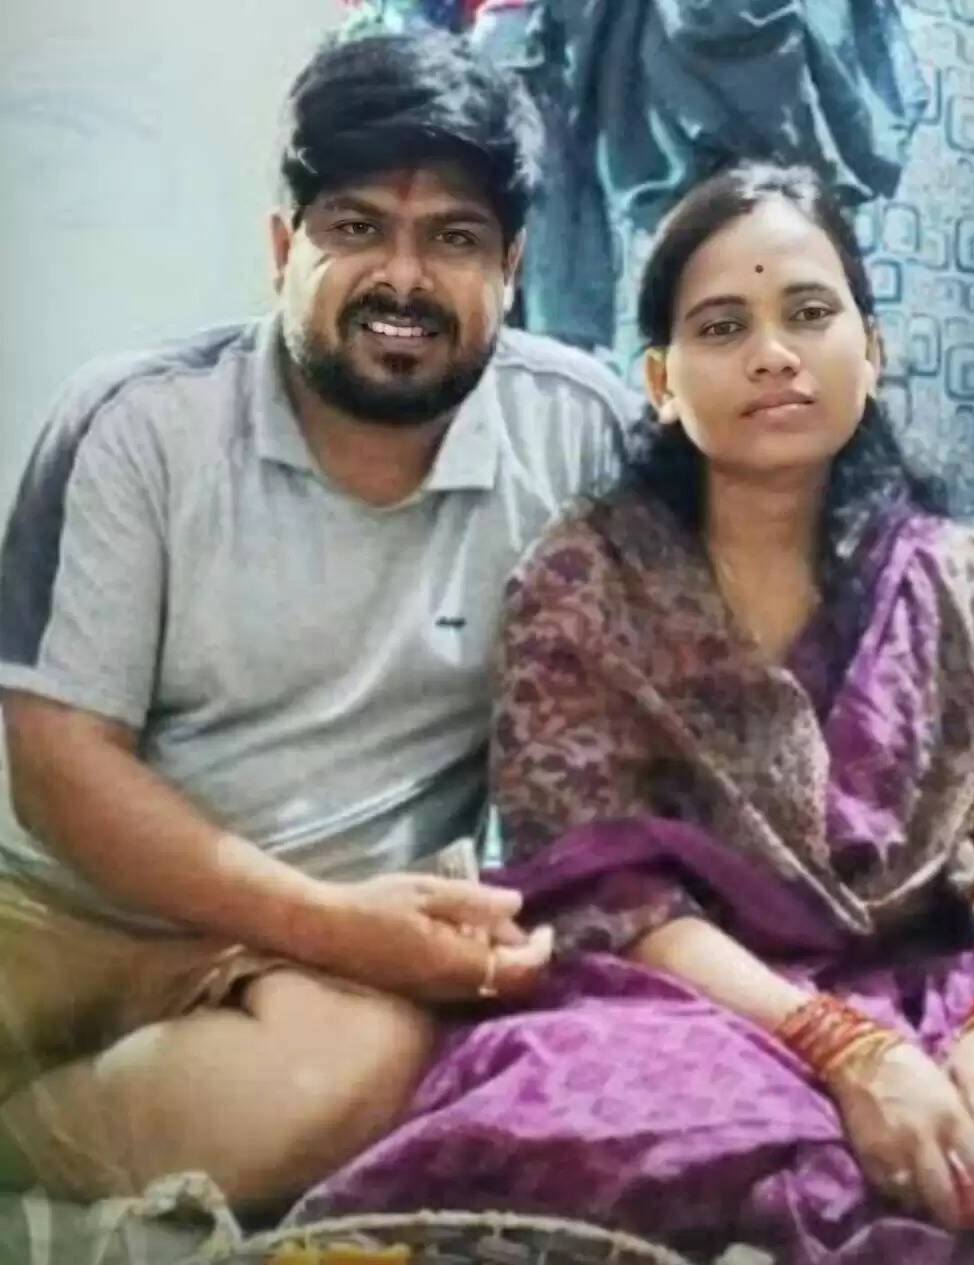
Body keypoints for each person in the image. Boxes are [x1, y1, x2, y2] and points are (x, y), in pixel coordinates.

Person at [291, 163, 974, 1264]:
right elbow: (609, 898)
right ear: (662, 380)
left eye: (809, 313)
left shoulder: (962, 588)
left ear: (872, 349)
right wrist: (841, 1045)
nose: (772, 352)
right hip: (686, 1000)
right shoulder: (584, 587)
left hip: (933, 973)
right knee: (623, 1125)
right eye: (723, 327)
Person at [0, 29, 630, 1209]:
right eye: (356, 227)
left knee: (340, 1077)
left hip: (307, 976)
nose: (403, 279)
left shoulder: (579, 434)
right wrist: (335, 921)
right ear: (283, 246)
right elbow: (58, 765)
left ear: (511, 266)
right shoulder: (138, 424)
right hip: (60, 906)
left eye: (454, 238)